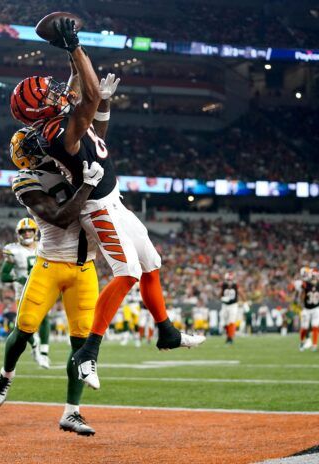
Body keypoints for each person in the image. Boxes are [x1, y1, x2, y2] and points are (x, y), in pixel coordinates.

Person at [10, 19, 204, 390]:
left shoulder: (56, 120)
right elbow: (90, 97)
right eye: (45, 95)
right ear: (39, 113)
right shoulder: (55, 134)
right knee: (127, 272)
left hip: (114, 199)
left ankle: (166, 331)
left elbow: (84, 97)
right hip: (97, 207)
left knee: (151, 263)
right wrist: (75, 46)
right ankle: (88, 353)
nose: (53, 93)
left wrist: (74, 60)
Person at [0, 126, 105, 436]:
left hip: (84, 267)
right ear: (28, 155)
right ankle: (6, 373)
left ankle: (72, 412)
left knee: (82, 345)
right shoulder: (25, 180)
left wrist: (102, 107)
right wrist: (88, 185)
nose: (45, 143)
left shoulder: (66, 161)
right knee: (25, 327)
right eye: (36, 143)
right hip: (50, 263)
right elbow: (62, 217)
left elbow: (93, 140)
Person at [0, 218, 49, 368]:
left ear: (35, 232)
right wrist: (19, 278)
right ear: (18, 233)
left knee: (45, 319)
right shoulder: (13, 250)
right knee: (25, 325)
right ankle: (35, 346)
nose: (27, 233)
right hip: (22, 293)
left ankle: (44, 353)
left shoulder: (43, 247)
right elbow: (4, 275)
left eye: (29, 230)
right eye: (23, 231)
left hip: (42, 288)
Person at [299, 269, 319, 352]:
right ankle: (301, 342)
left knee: (315, 326)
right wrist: (301, 304)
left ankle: (314, 345)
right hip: (307, 308)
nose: (315, 278)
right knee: (305, 327)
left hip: (316, 308)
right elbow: (302, 296)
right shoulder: (305, 284)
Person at [220, 272, 245, 344]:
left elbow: (241, 293)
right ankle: (228, 336)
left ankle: (230, 338)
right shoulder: (223, 285)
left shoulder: (236, 286)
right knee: (225, 322)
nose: (229, 282)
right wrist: (223, 298)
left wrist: (245, 301)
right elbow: (221, 294)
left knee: (231, 321)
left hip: (233, 305)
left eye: (230, 280)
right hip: (225, 305)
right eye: (228, 280)